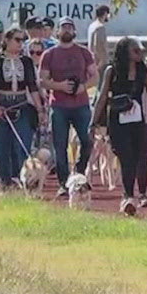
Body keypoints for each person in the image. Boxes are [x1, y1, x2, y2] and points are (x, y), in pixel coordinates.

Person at [94, 36, 147, 215]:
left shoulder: (143, 72)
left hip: (138, 120)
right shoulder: (111, 71)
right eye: (136, 51)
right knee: (126, 158)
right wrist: (94, 122)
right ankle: (128, 196)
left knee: (138, 157)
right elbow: (102, 97)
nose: (140, 54)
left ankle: (139, 193)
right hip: (118, 120)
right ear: (125, 52)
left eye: (141, 51)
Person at [41, 17, 99, 193]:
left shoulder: (83, 53)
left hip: (81, 104)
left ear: (74, 31)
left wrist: (82, 87)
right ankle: (63, 183)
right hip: (59, 105)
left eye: (69, 28)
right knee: (60, 145)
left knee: (87, 141)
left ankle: (79, 175)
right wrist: (60, 86)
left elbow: (95, 77)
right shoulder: (49, 54)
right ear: (58, 32)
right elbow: (43, 80)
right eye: (63, 28)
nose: (67, 31)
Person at [0, 29, 41, 190]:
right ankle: (5, 183)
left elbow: (32, 86)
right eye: (18, 40)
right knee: (2, 147)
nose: (21, 44)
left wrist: (39, 108)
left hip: (21, 105)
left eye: (22, 40)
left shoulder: (26, 61)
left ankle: (22, 181)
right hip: (2, 107)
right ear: (8, 40)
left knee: (22, 145)